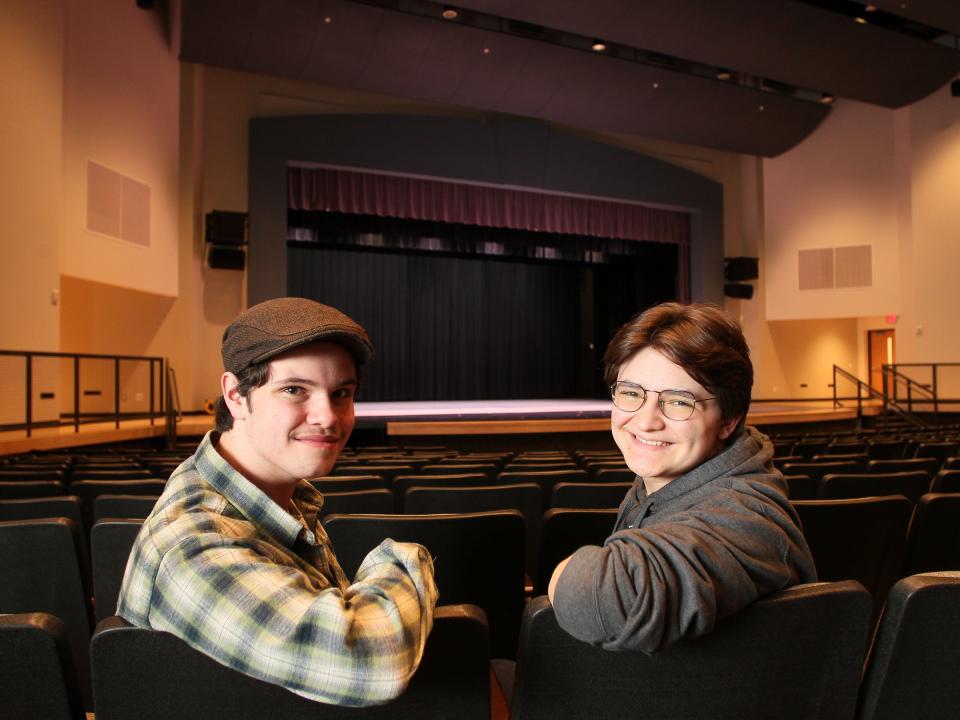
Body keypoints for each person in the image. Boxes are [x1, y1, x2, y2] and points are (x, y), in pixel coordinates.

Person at [117, 297, 438, 706]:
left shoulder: (272, 492)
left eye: (341, 393)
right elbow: (374, 662)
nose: (327, 416)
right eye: (294, 390)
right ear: (236, 396)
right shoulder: (194, 546)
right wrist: (404, 560)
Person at [547, 302, 816, 653]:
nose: (645, 421)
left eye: (677, 402)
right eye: (631, 393)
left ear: (729, 419)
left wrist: (560, 576)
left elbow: (601, 594)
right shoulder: (666, 481)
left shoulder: (749, 516)